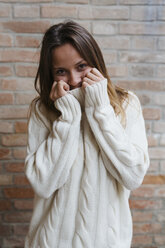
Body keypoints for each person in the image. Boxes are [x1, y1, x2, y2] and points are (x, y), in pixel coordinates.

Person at [24, 20, 149, 248]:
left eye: (81, 66)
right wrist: (68, 118)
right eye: (61, 71)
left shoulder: (126, 104)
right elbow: (43, 184)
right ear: (50, 73)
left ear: (95, 62)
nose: (73, 80)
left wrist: (99, 109)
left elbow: (133, 176)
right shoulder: (43, 111)